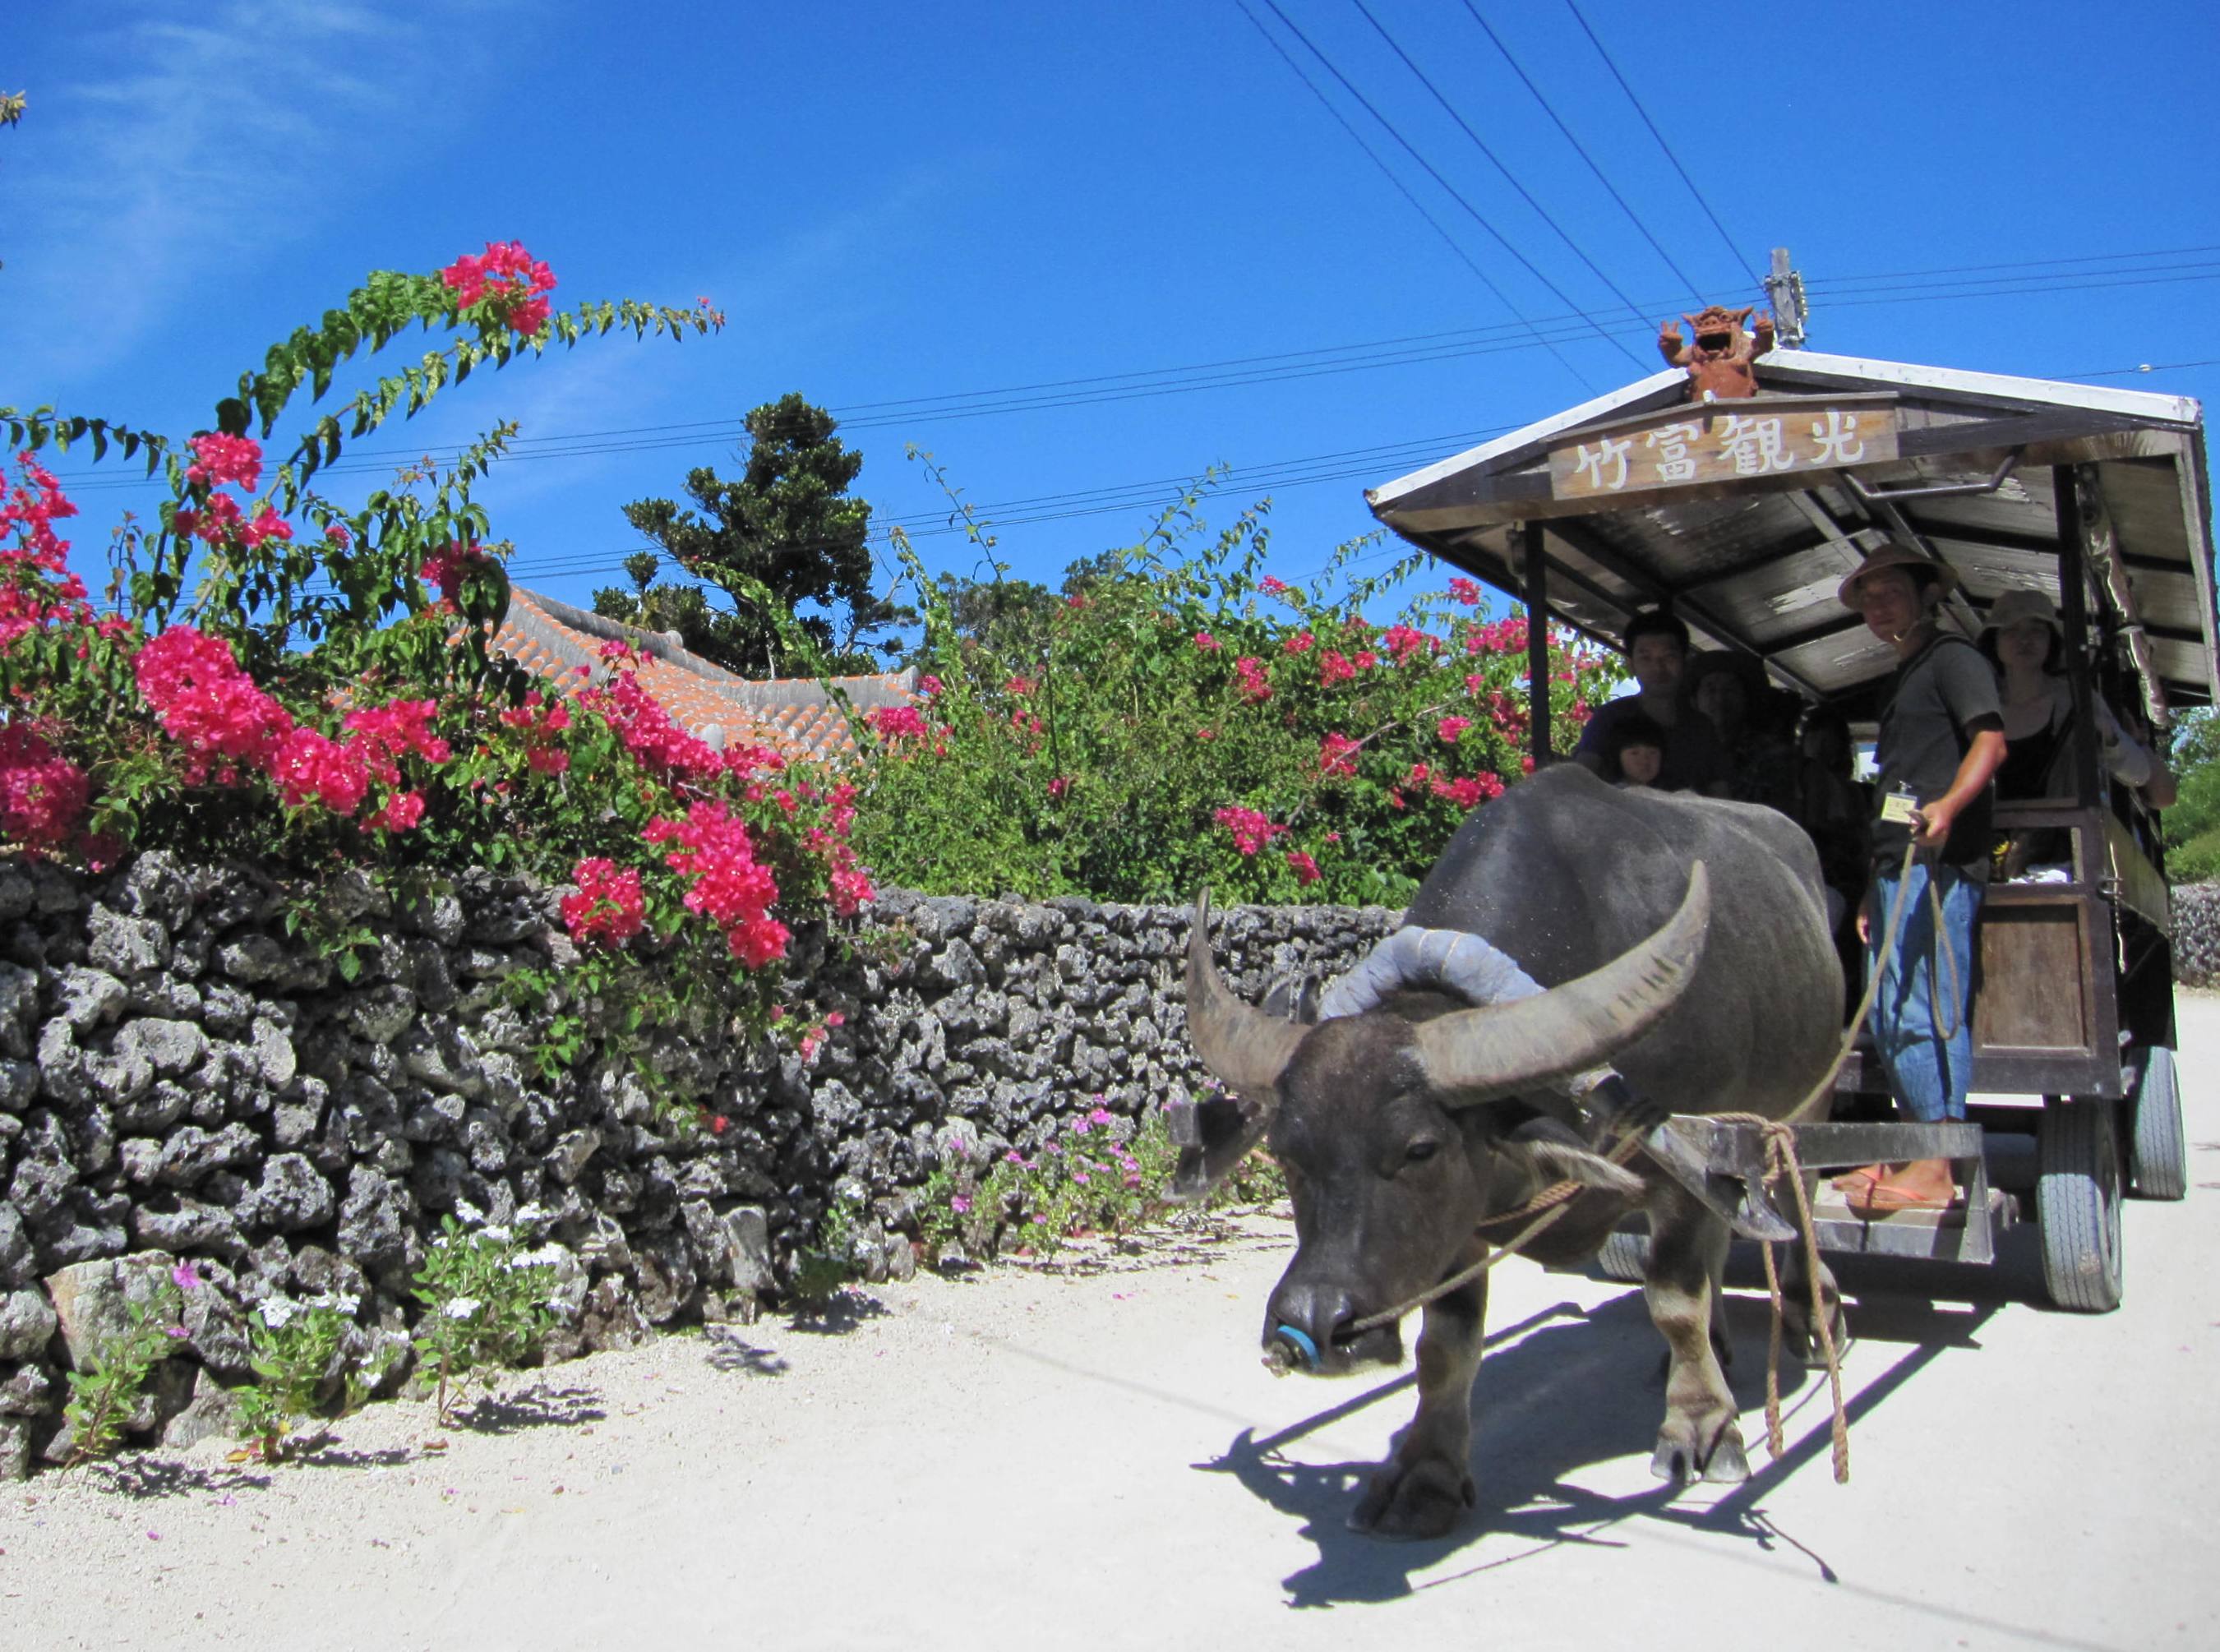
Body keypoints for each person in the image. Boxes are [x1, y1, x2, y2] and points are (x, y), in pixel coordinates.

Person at [1830, 544, 2006, 1215]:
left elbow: (1989, 741)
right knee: (1889, 1009)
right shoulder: (1901, 676)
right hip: (1896, 867)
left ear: (1925, 594)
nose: (1878, 605)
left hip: (1938, 864)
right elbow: (1896, 787)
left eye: (1890, 591)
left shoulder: (1954, 659)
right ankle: (1911, 1148)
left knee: (1928, 1008)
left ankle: (1937, 1162)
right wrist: (1875, 886)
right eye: (1868, 597)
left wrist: (1948, 807)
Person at [1980, 588, 2176, 870]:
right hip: (1988, 858)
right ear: (1994, 642)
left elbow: (2138, 772)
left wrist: (2109, 737)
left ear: (2051, 641)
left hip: (2063, 861)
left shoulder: (2076, 700)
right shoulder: (1979, 706)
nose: (2024, 640)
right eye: (2011, 631)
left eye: (2037, 631)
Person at [1572, 608, 1731, 794]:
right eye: (1646, 658)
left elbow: (1722, 797)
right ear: (1631, 665)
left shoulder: (1702, 729)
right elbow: (1579, 782)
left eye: (1668, 657)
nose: (1658, 668)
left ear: (1685, 661)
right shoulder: (1609, 718)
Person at [1602, 713, 1666, 787]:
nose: (1645, 761)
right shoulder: (1611, 794)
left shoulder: (1665, 794)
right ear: (1617, 756)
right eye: (1635, 753)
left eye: (1652, 752)